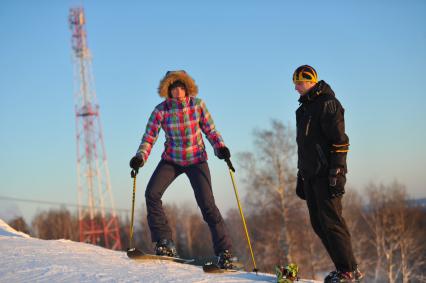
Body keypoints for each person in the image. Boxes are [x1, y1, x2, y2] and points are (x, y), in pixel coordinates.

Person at [129, 70, 234, 269]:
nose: (177, 91)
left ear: (187, 89)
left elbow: (210, 130)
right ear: (167, 90)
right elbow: (149, 137)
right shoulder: (161, 110)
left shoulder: (197, 105)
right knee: (151, 193)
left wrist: (220, 148)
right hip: (172, 159)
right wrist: (139, 158)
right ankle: (164, 243)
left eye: (181, 87)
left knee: (207, 204)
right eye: (173, 88)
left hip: (196, 159)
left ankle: (225, 253)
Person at [292, 65, 363, 282]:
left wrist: (337, 173)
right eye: (294, 83)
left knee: (332, 222)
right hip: (311, 175)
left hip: (327, 175)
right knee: (318, 223)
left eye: (299, 83)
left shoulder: (328, 104)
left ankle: (349, 271)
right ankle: (345, 268)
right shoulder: (303, 110)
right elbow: (303, 146)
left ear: (311, 81)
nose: (295, 88)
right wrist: (300, 175)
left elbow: (340, 142)